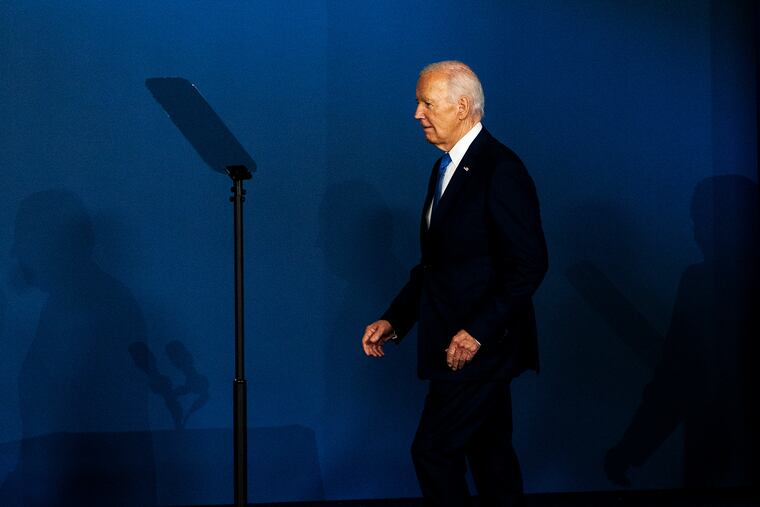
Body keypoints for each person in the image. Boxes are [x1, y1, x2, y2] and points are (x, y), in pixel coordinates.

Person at [361, 61, 548, 506]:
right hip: (455, 343)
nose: (417, 114)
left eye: (427, 103)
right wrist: (395, 320)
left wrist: (477, 332)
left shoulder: (500, 169)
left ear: (462, 107)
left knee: (434, 452)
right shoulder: (443, 169)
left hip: (480, 349)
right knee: (490, 456)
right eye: (418, 103)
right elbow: (436, 266)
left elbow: (529, 263)